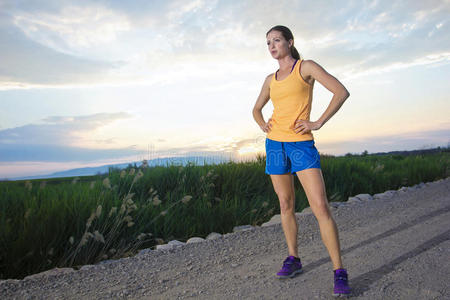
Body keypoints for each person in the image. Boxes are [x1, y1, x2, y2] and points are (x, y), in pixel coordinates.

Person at [252, 25, 351, 297]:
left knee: (320, 206)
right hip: (274, 145)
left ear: (290, 42)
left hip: (300, 144)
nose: (272, 46)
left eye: (277, 40)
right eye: (268, 42)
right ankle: (293, 258)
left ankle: (339, 271)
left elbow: (340, 91)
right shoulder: (270, 79)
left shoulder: (305, 67)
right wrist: (263, 124)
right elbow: (256, 109)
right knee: (285, 204)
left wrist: (317, 122)